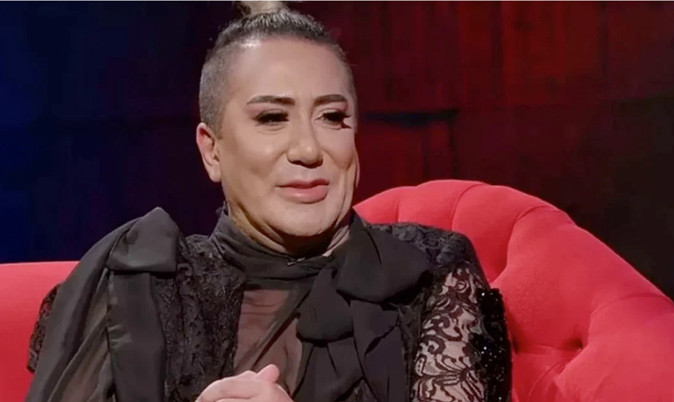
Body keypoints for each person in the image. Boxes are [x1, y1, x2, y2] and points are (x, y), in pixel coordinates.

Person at [26, 3, 511, 402]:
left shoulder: (428, 275)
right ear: (211, 151)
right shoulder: (137, 284)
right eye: (273, 118)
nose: (309, 149)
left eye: (332, 116)